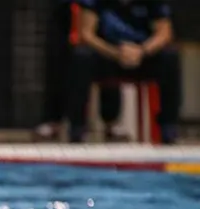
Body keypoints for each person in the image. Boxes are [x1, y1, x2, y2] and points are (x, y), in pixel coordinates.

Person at [67, 0, 180, 144]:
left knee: (169, 56)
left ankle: (168, 128)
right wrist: (115, 52)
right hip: (107, 55)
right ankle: (77, 129)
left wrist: (141, 51)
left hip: (142, 56)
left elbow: (164, 33)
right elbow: (87, 34)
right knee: (81, 56)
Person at [34, 0, 127, 142]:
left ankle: (111, 121)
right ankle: (55, 120)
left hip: (99, 10)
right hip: (65, 12)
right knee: (58, 61)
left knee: (107, 57)